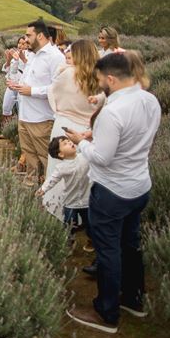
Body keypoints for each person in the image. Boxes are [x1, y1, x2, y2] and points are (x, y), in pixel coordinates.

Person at [64, 53, 162, 334]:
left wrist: (79, 142)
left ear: (111, 78)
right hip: (140, 185)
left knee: (109, 251)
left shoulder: (112, 112)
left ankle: (106, 313)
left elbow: (102, 159)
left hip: (111, 191)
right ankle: (134, 300)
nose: (99, 86)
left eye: (100, 81)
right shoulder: (149, 100)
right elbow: (137, 137)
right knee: (131, 246)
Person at [43, 39, 103, 216]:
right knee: (84, 174)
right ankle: (84, 213)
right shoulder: (101, 77)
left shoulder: (67, 74)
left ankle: (58, 210)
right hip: (88, 131)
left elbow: (53, 96)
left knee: (60, 168)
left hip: (65, 127)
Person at [9, 19, 66, 184]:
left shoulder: (55, 57)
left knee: (44, 154)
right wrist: (17, 86)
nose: (25, 39)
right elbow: (29, 79)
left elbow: (58, 87)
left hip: (41, 117)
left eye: (28, 35)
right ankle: (31, 182)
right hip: (25, 114)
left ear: (40, 36)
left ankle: (49, 188)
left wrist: (31, 91)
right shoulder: (33, 54)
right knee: (29, 152)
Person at [36, 136, 91, 230]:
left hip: (87, 201)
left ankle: (91, 240)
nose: (70, 143)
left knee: (90, 224)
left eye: (69, 141)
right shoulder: (62, 167)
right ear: (61, 154)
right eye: (65, 144)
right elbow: (52, 179)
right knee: (70, 225)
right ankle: (70, 241)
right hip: (70, 202)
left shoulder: (85, 156)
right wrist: (43, 189)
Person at [0, 36, 28, 129]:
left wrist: (22, 58)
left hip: (22, 87)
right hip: (11, 86)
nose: (20, 45)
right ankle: (6, 130)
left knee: (22, 110)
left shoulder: (31, 55)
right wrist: (8, 59)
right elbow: (7, 70)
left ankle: (20, 131)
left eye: (23, 43)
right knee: (6, 107)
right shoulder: (14, 54)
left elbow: (29, 69)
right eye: (19, 43)